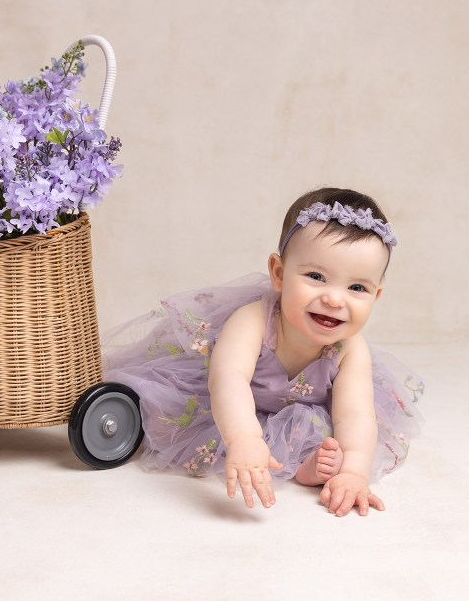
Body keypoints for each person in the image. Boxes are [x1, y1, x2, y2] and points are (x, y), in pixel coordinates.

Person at [103, 187, 423, 516]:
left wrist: (354, 473)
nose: (335, 299)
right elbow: (229, 378)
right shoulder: (255, 320)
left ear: (377, 295)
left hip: (300, 414)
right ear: (279, 273)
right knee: (171, 417)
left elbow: (355, 414)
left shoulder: (350, 350)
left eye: (357, 288)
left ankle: (307, 468)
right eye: (316, 276)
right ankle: (262, 446)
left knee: (333, 441)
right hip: (230, 405)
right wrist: (244, 438)